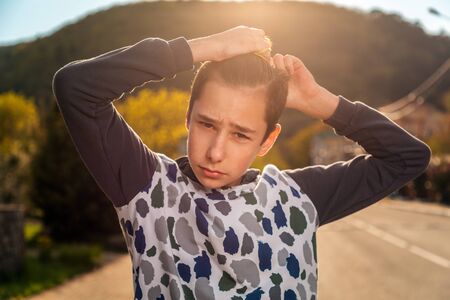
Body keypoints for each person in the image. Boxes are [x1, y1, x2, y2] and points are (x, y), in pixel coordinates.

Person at [52, 26, 431, 299]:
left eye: (240, 134)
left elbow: (408, 157)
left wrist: (320, 102)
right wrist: (205, 48)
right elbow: (76, 87)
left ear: (267, 140)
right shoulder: (147, 188)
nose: (216, 152)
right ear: (188, 118)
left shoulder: (297, 199)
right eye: (207, 124)